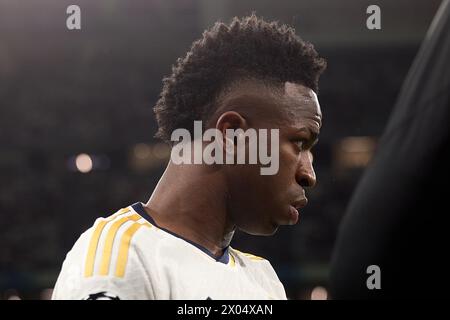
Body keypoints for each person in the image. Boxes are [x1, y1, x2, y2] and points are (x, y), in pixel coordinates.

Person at [52, 14, 326, 300]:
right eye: (299, 143)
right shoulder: (122, 258)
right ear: (232, 135)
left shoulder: (264, 279)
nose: (309, 174)